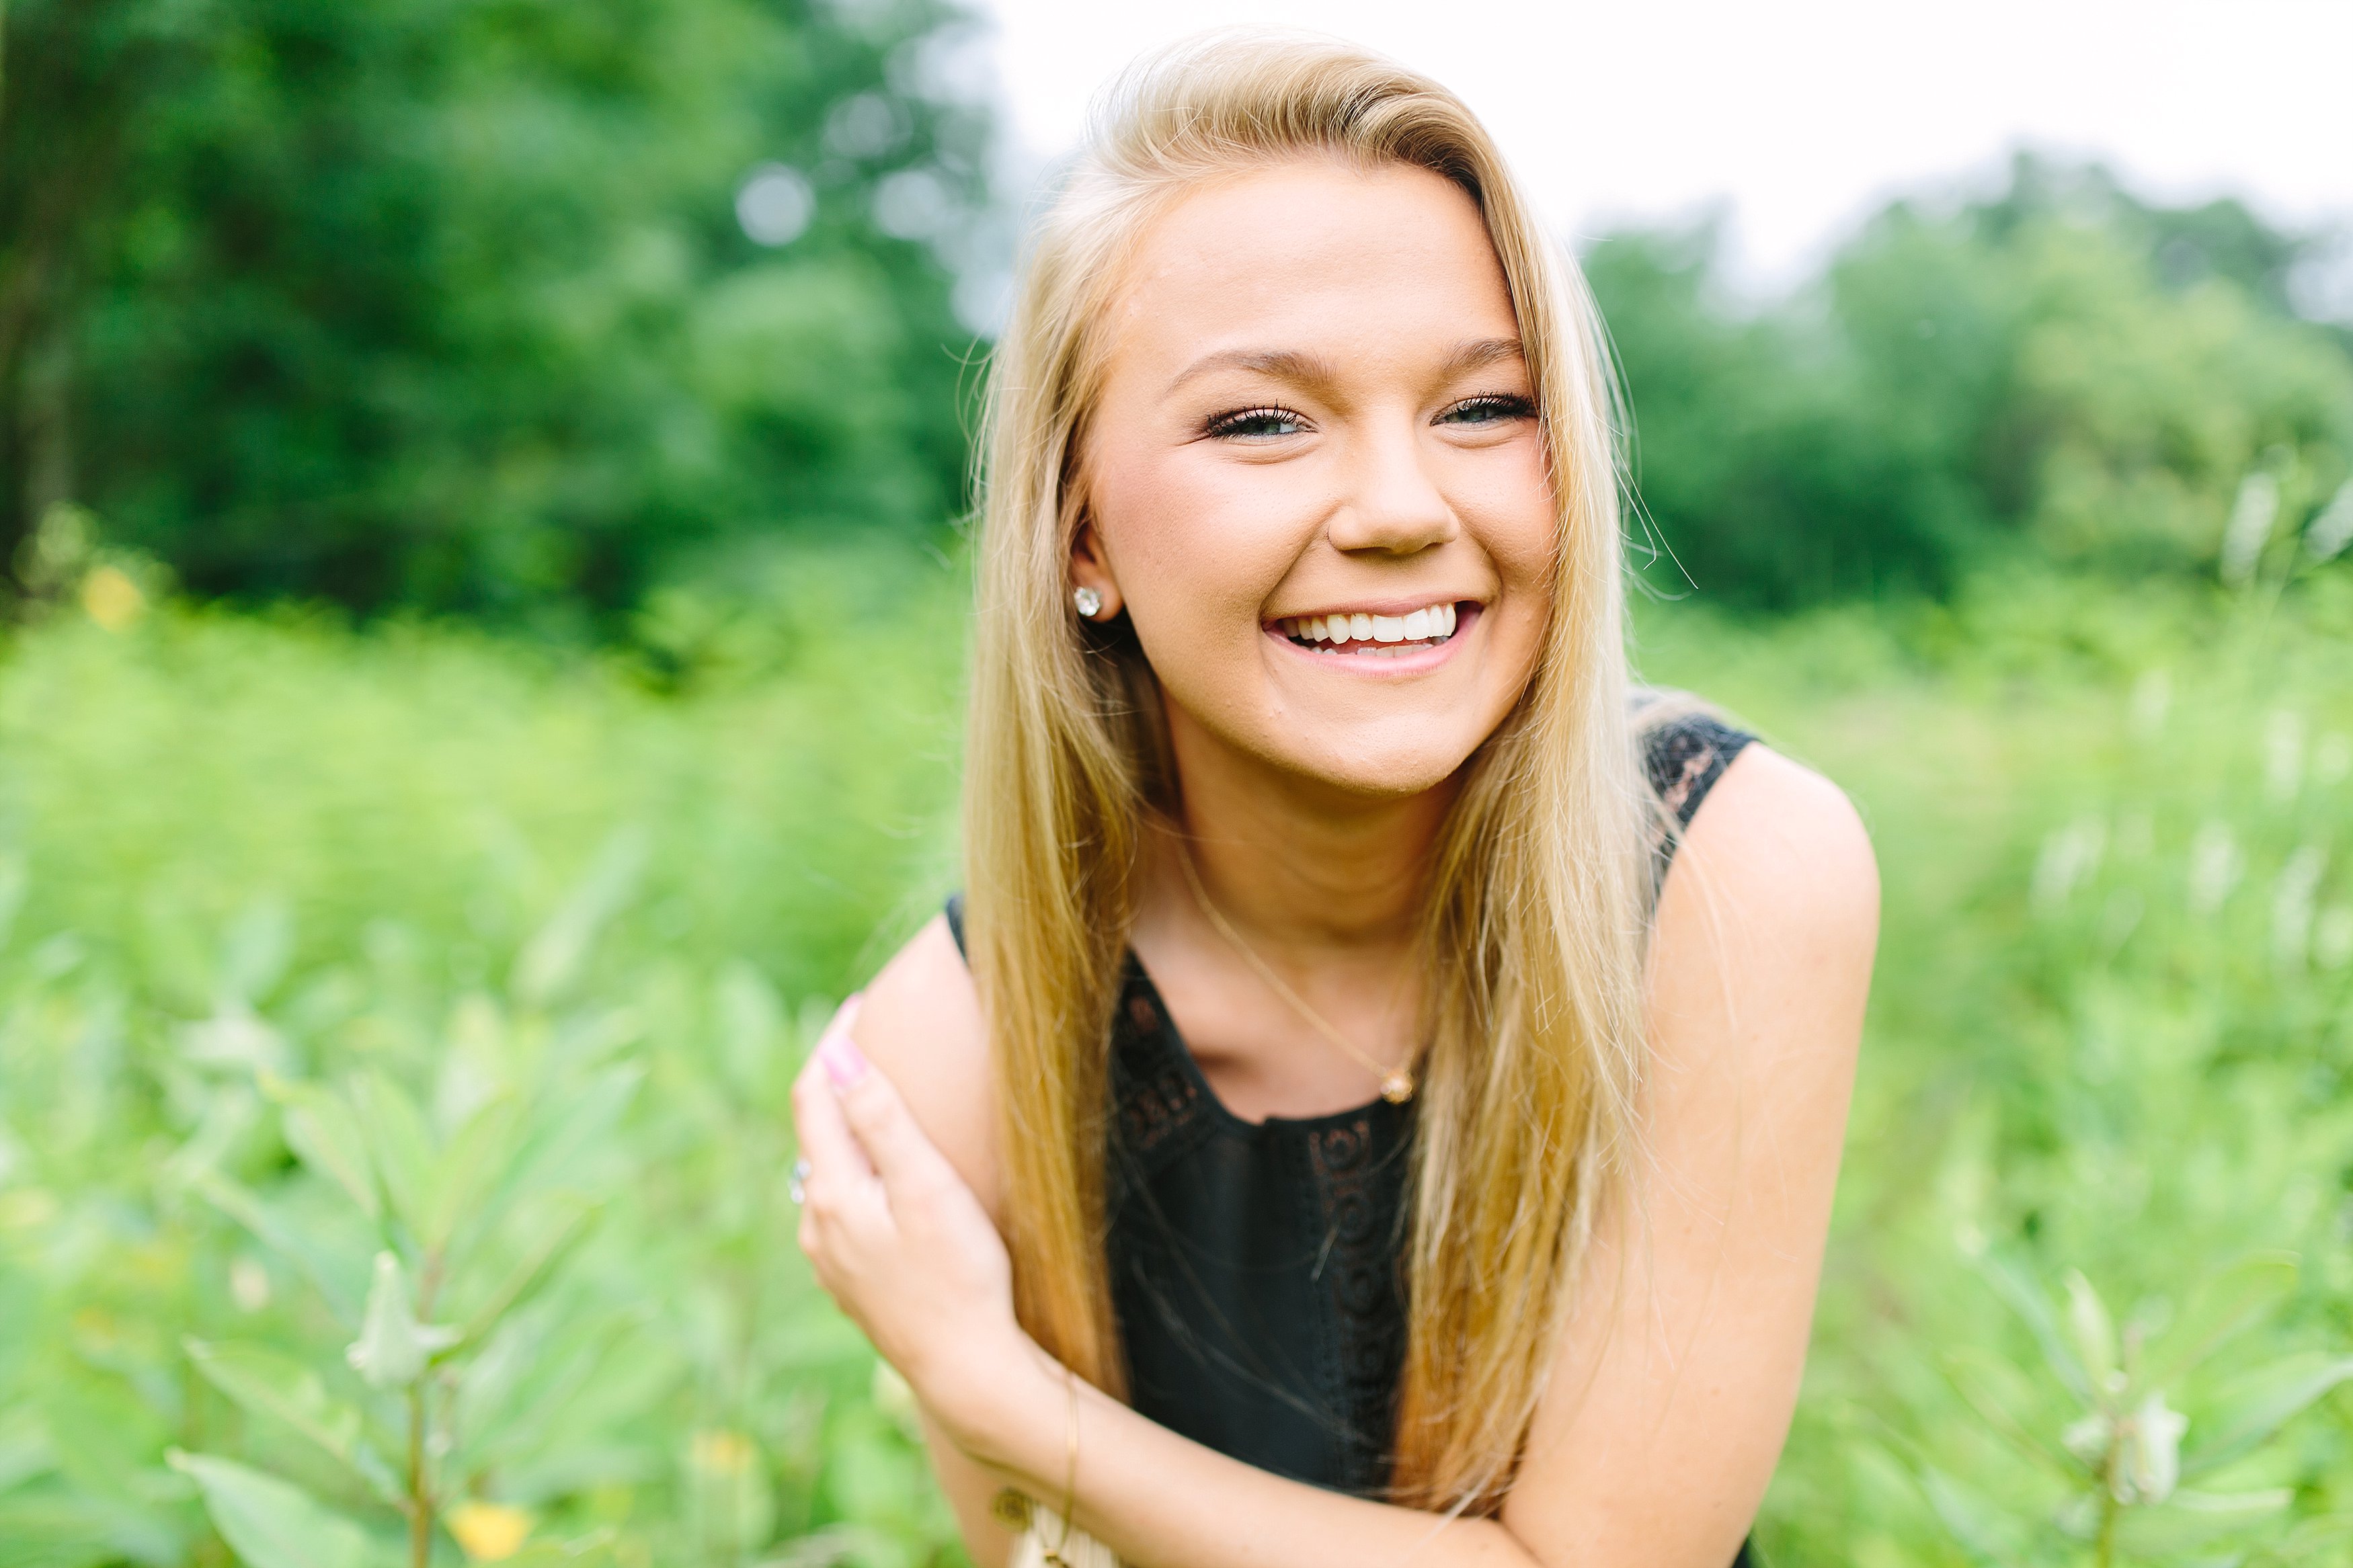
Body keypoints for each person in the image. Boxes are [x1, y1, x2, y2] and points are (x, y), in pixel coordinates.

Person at [789, 30, 1877, 1568]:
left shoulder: (1730, 871)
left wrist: (1005, 1398)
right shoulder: (957, 1048)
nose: (1396, 510)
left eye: (1484, 409)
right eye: (1261, 421)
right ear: (1077, 536)